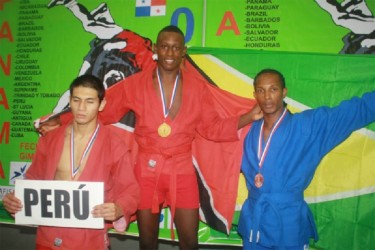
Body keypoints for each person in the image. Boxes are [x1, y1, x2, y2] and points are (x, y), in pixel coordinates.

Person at [50, 25, 260, 249]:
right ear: (157, 49)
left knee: (190, 242)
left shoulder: (199, 88)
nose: (170, 53)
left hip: (181, 168)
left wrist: (248, 117)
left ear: (183, 51)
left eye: (175, 48)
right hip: (145, 170)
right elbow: (105, 111)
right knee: (147, 242)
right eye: (165, 47)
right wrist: (62, 121)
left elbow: (212, 128)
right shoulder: (135, 83)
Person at [238, 68, 375, 249]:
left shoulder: (308, 126)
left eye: (273, 89)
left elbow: (354, 111)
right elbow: (217, 135)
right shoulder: (249, 130)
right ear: (255, 94)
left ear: (284, 92)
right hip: (255, 220)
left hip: (288, 221)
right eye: (261, 91)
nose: (267, 97)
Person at [2, 75, 140, 249]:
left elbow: (130, 190)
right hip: (49, 234)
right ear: (70, 101)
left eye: (89, 101)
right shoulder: (49, 140)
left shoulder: (114, 143)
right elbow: (33, 179)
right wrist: (16, 199)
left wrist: (119, 208)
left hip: (89, 238)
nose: (81, 108)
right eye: (77, 100)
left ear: (101, 104)